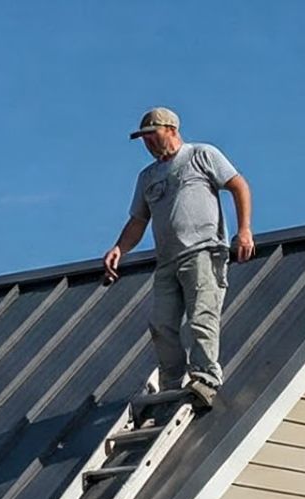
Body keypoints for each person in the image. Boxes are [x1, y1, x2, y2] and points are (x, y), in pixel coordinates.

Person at [101, 107, 254, 407]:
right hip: (168, 260)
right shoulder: (148, 177)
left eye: (151, 134)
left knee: (201, 317)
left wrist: (244, 230)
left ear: (170, 129)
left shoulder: (201, 155)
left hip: (203, 251)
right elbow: (138, 221)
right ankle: (172, 382)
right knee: (161, 324)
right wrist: (120, 248)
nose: (147, 143)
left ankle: (205, 378)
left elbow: (238, 185)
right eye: (143, 138)